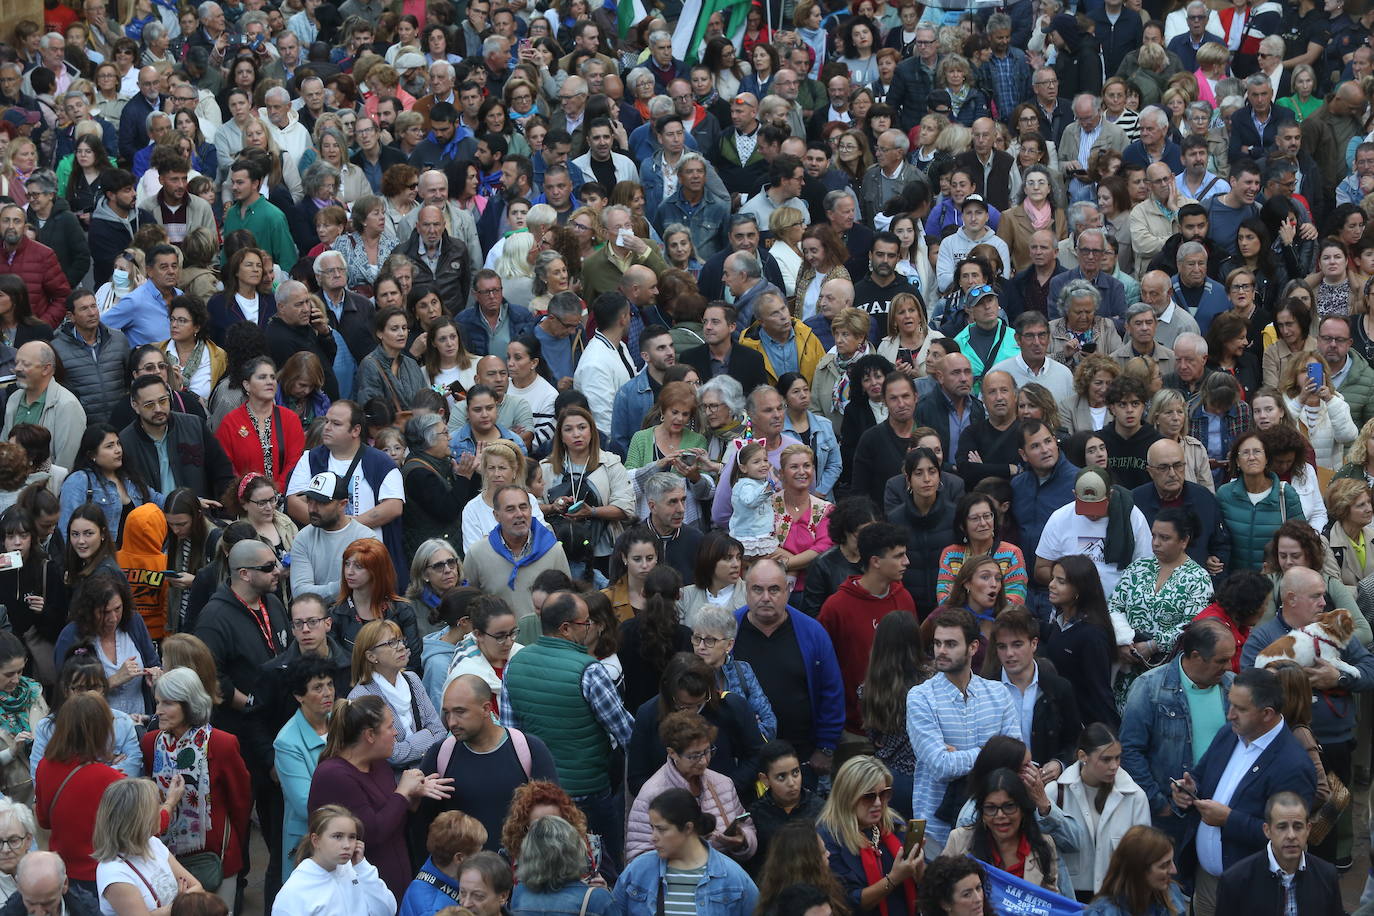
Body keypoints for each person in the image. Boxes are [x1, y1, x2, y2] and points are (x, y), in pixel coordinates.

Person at [501, 590, 632, 865]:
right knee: (604, 869)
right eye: (585, 623)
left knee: (550, 871)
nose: (589, 628)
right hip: (589, 796)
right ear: (565, 628)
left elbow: (512, 737)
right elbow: (626, 733)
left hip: (540, 800)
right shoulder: (590, 670)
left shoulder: (514, 664)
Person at [308, 695, 453, 901]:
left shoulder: (379, 764)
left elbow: (395, 820)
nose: (395, 733)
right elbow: (371, 833)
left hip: (394, 883)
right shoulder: (334, 775)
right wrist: (402, 793)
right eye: (390, 726)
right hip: (359, 894)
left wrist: (413, 797)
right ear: (370, 735)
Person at [907, 607, 1020, 852]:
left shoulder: (998, 693)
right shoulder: (920, 697)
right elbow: (940, 765)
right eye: (937, 643)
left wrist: (959, 755)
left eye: (950, 644)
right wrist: (991, 753)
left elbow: (1015, 757)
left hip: (992, 825)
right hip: (935, 830)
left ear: (973, 647)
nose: (941, 651)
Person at [141, 668, 251, 904]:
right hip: (166, 859)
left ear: (190, 704)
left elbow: (241, 803)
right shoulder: (150, 743)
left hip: (216, 856)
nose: (158, 710)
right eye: (158, 702)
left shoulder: (222, 743)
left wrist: (234, 844)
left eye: (167, 703)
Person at [416, 673, 557, 855]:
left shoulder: (530, 749)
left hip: (521, 873)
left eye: (460, 712)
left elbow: (554, 819)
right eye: (447, 713)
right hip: (463, 878)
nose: (451, 722)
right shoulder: (440, 754)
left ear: (486, 708)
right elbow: (423, 824)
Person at [1109, 508, 1216, 703]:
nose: (1156, 543)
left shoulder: (1198, 578)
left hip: (1167, 671)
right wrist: (1122, 641)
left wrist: (1152, 645)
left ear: (1184, 541)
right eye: (1154, 536)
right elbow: (1114, 606)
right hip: (1126, 664)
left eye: (1165, 538)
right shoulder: (1138, 567)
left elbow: (1194, 625)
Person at [818, 521, 915, 735]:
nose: (906, 562)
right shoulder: (836, 607)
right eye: (898, 556)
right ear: (875, 561)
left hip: (901, 724)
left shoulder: (904, 598)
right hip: (853, 728)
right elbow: (822, 668)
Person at [626, 710, 756, 863]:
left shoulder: (723, 783)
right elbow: (638, 858)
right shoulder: (652, 794)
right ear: (672, 753)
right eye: (694, 756)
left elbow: (747, 827)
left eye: (707, 751)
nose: (703, 761)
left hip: (724, 876)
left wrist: (743, 841)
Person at [34, 692, 129, 891]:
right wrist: (170, 803)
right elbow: (141, 829)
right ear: (101, 729)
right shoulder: (110, 778)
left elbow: (44, 821)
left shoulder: (44, 766)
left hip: (62, 875)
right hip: (101, 877)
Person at [612, 788, 759, 916]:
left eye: (661, 829)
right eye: (652, 828)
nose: (653, 838)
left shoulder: (733, 878)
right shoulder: (638, 871)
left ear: (688, 828)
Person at [1045, 724, 1151, 900]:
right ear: (1082, 756)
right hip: (1068, 898)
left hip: (1117, 899)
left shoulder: (1135, 796)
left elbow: (1145, 857)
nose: (1114, 766)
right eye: (1106, 759)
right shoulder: (1056, 792)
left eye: (1118, 758)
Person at [817, 755, 924, 916]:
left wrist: (919, 868)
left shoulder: (893, 824)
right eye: (869, 796)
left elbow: (928, 886)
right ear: (847, 797)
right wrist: (893, 879)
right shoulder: (828, 837)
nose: (878, 803)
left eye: (884, 794)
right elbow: (846, 902)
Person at [1215, 791, 1343, 912]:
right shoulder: (1236, 881)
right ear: (1267, 830)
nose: (1291, 835)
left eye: (1298, 827)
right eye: (1282, 827)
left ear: (1308, 829)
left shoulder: (1327, 875)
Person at [92, 779, 204, 916]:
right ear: (139, 819)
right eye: (155, 807)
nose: (160, 811)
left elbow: (198, 888)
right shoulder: (113, 872)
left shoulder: (152, 843)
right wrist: (180, 903)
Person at [943, 766, 1060, 893]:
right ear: (982, 813)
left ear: (1023, 809)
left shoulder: (1044, 846)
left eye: (1009, 806)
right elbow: (940, 891)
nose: (1000, 815)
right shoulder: (959, 840)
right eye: (991, 808)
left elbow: (1050, 903)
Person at [272, 654, 336, 881]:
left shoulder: (340, 720)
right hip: (311, 842)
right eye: (317, 687)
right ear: (299, 696)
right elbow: (306, 804)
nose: (328, 692)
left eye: (330, 684)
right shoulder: (287, 742)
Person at [271, 805, 396, 916]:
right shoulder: (295, 891)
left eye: (352, 837)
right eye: (337, 836)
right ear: (316, 840)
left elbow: (387, 911)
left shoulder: (357, 871)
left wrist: (363, 869)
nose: (347, 845)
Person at [214, 358, 307, 491]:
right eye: (262, 377)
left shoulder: (290, 419)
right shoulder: (231, 422)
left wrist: (275, 491)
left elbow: (295, 462)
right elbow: (225, 466)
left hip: (283, 498)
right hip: (244, 501)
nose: (269, 382)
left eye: (273, 377)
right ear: (247, 385)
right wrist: (249, 494)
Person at [1081, 825, 1189, 916]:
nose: (1174, 871)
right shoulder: (1103, 912)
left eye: (1171, 862)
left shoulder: (1171, 893)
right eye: (1164, 866)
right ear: (1138, 869)